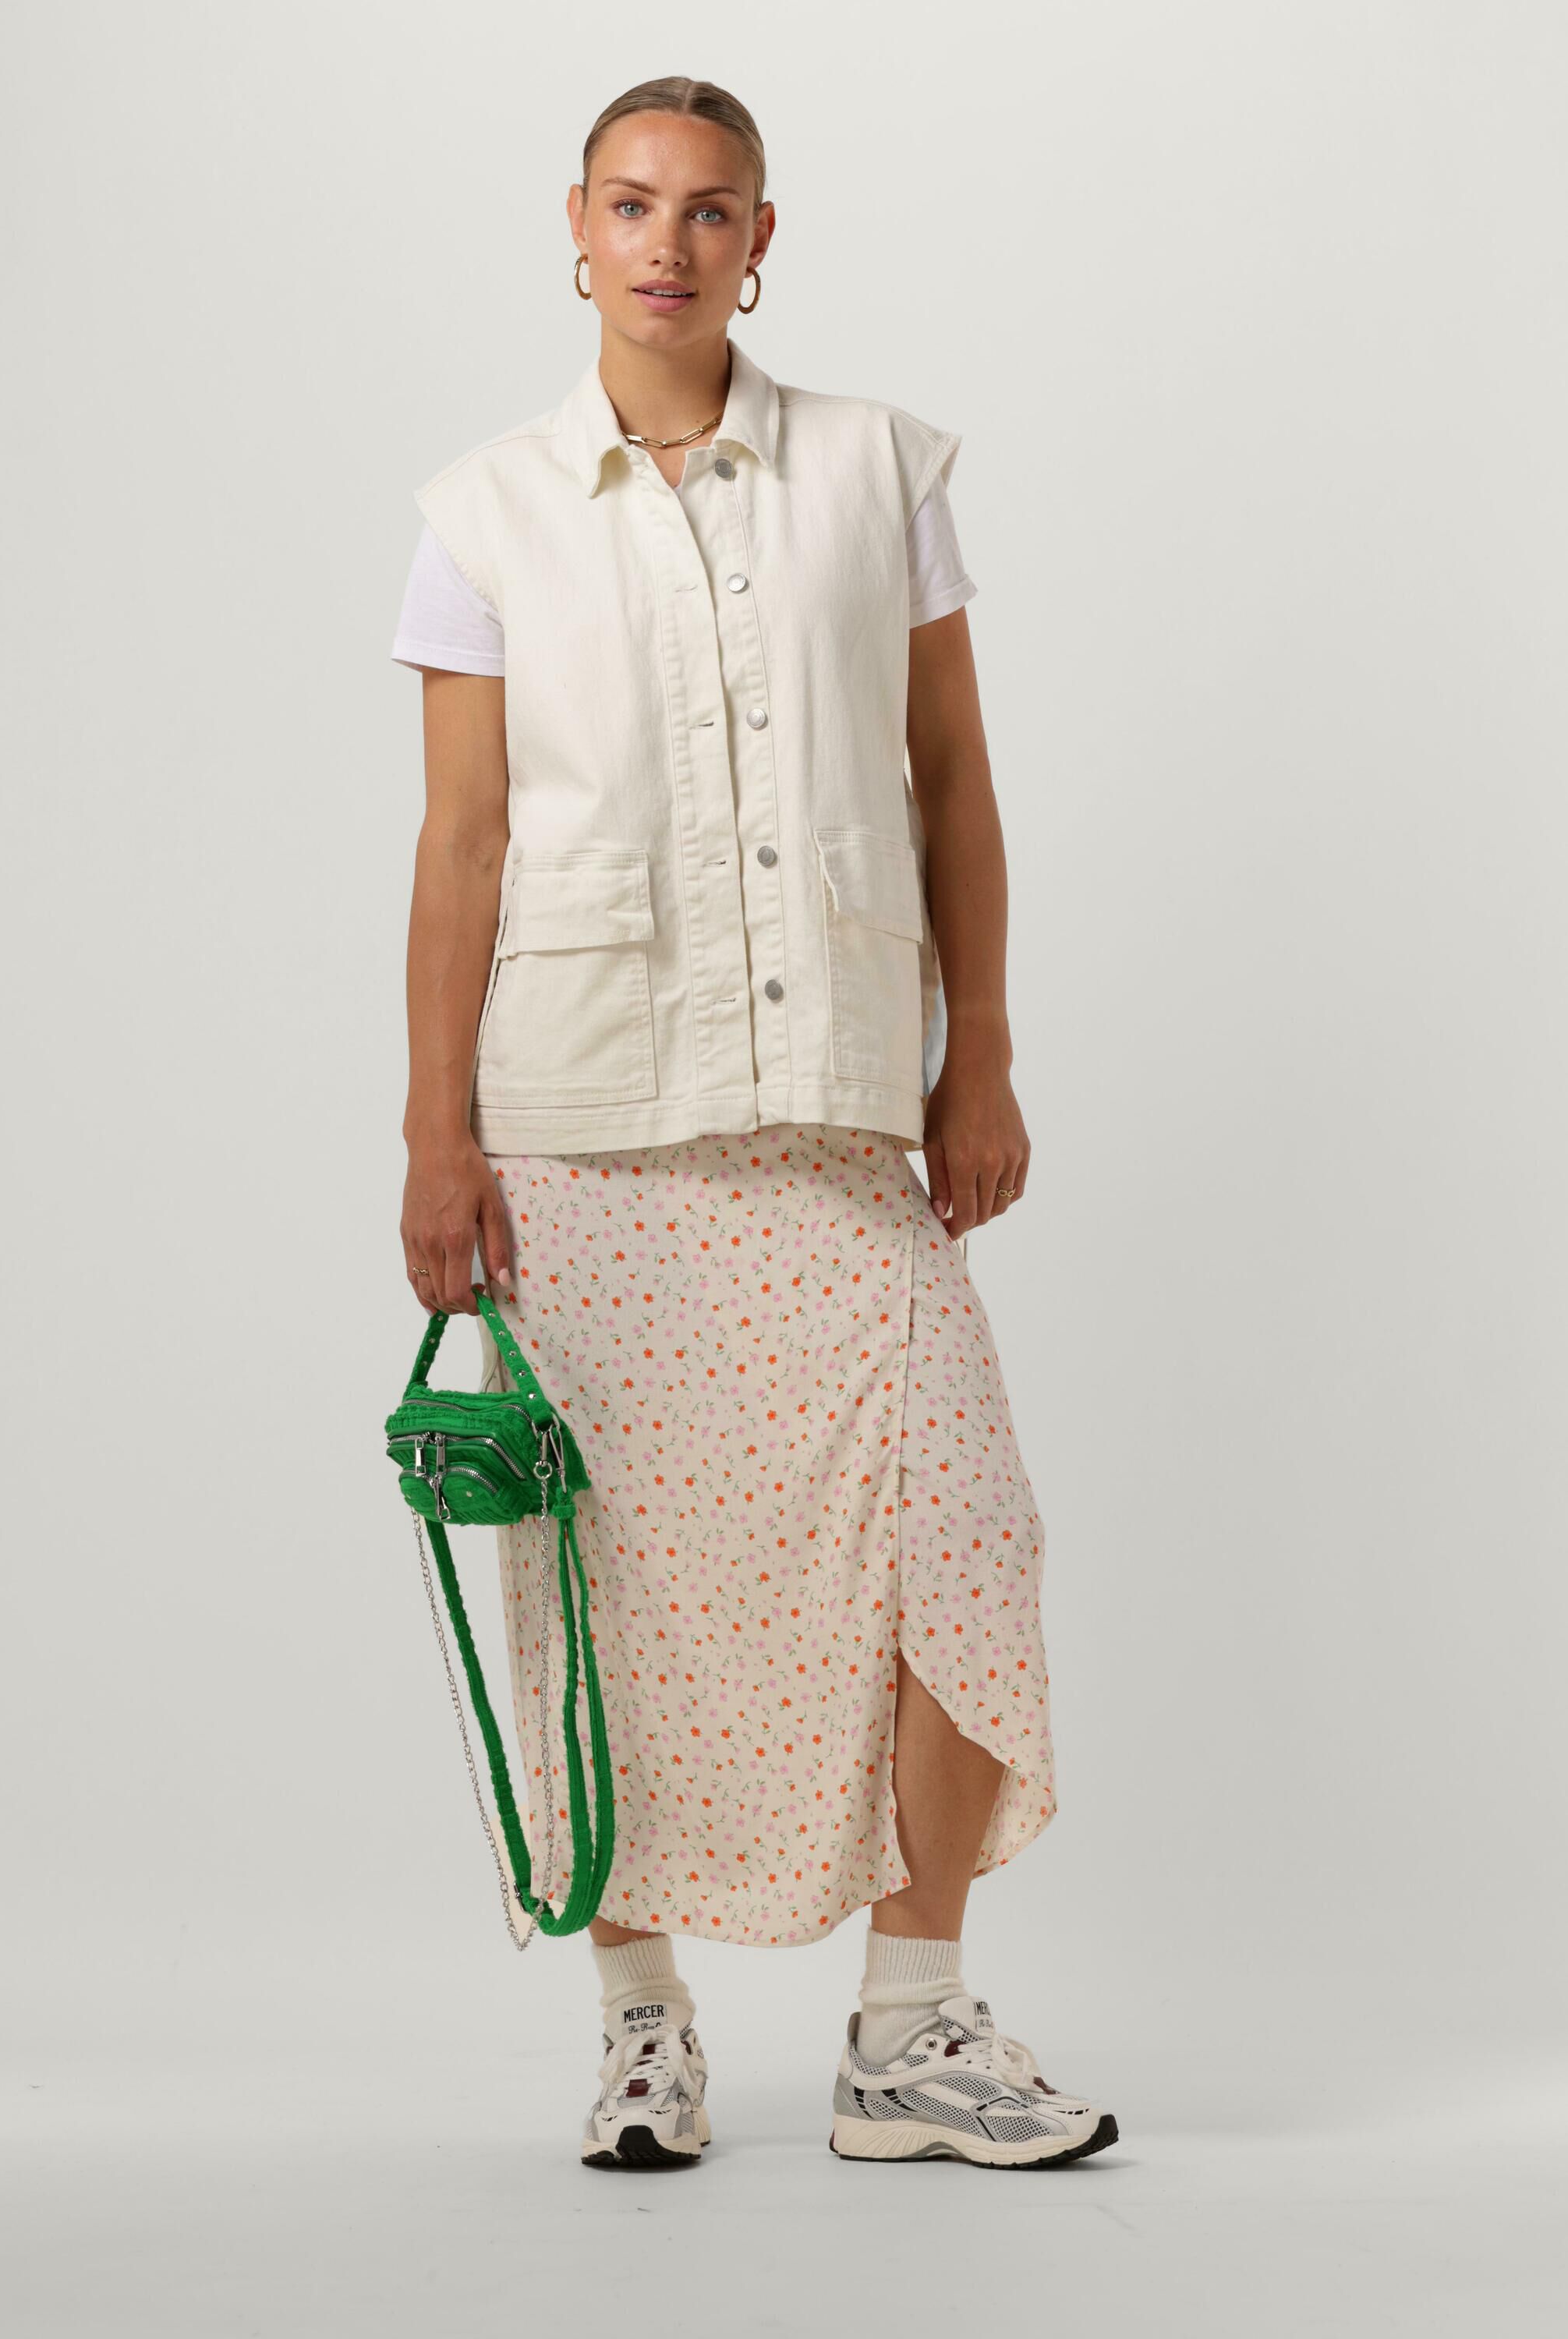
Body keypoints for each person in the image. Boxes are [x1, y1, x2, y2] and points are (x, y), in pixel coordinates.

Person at [391, 74, 1117, 2172]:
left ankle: (910, 2026)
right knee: (597, 1573)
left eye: (710, 210)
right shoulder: (483, 510)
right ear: (575, 226)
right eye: (632, 205)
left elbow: (951, 774)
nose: (669, 243)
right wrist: (434, 1135)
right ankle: (642, 2026)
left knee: (962, 1532)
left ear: (761, 240)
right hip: (579, 1127)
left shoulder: (879, 472)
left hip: (832, 1117)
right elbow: (460, 845)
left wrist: (979, 1053)